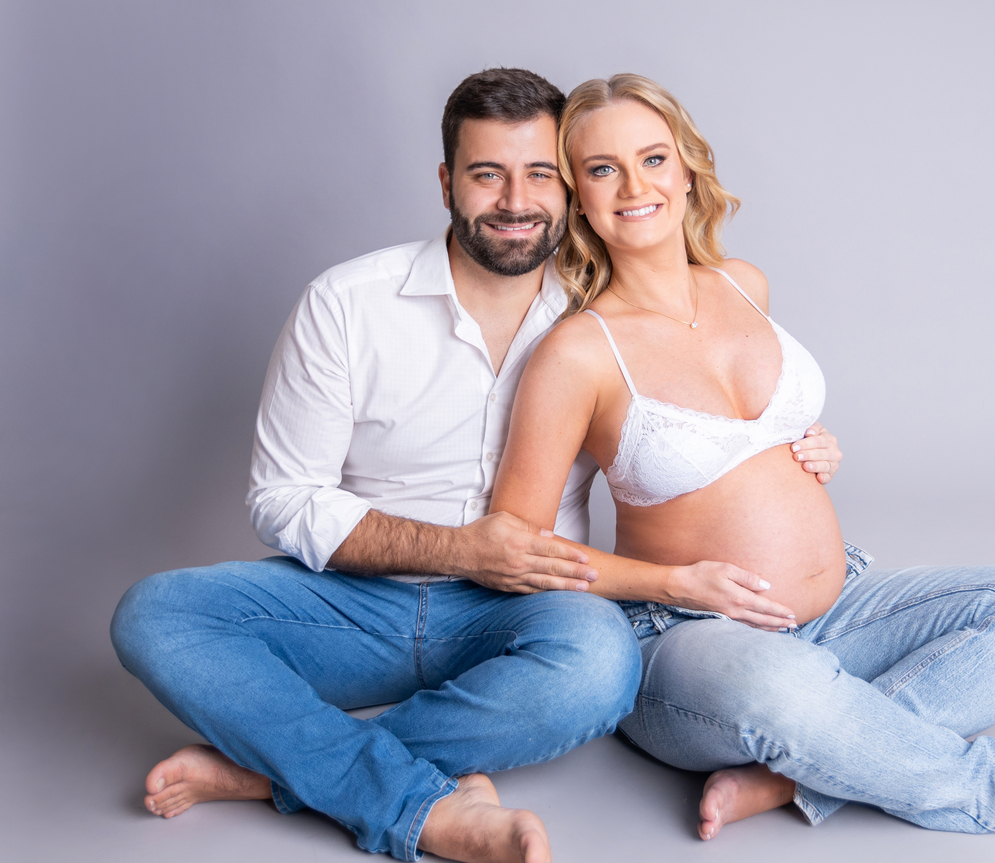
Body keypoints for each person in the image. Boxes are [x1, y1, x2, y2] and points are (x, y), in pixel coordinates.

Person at [109, 68, 845, 863]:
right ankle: (426, 801)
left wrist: (797, 438)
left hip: (527, 614)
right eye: (487, 174)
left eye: (540, 174)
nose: (515, 200)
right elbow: (283, 498)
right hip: (354, 605)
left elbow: (709, 414)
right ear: (446, 183)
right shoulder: (348, 303)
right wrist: (461, 549)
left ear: (570, 189)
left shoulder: (604, 311)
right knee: (157, 615)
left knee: (601, 665)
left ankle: (277, 770)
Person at [489, 73, 995, 839]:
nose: (636, 186)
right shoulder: (576, 352)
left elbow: (744, 438)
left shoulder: (743, 285)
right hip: (689, 643)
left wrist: (806, 443)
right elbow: (515, 547)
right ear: (577, 196)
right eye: (604, 169)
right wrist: (672, 582)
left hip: (840, 609)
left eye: (654, 158)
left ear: (688, 168)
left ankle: (795, 774)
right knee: (781, 688)